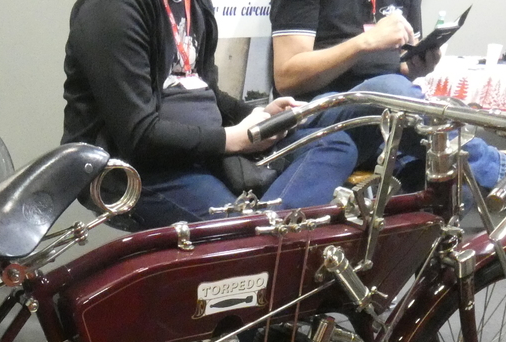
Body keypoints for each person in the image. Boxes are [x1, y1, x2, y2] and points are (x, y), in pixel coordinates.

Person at [61, 0, 367, 228]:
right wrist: (235, 139)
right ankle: (259, 235)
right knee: (240, 232)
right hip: (142, 168)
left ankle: (265, 231)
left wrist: (258, 114)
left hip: (208, 151)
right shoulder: (110, 9)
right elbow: (138, 135)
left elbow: (203, 89)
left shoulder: (195, 5)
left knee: (333, 144)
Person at [269, 0, 506, 218]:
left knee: (452, 186)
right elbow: (287, 77)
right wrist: (363, 43)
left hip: (386, 119)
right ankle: (502, 172)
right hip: (317, 114)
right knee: (389, 89)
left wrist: (415, 67)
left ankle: (397, 281)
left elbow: (396, 68)